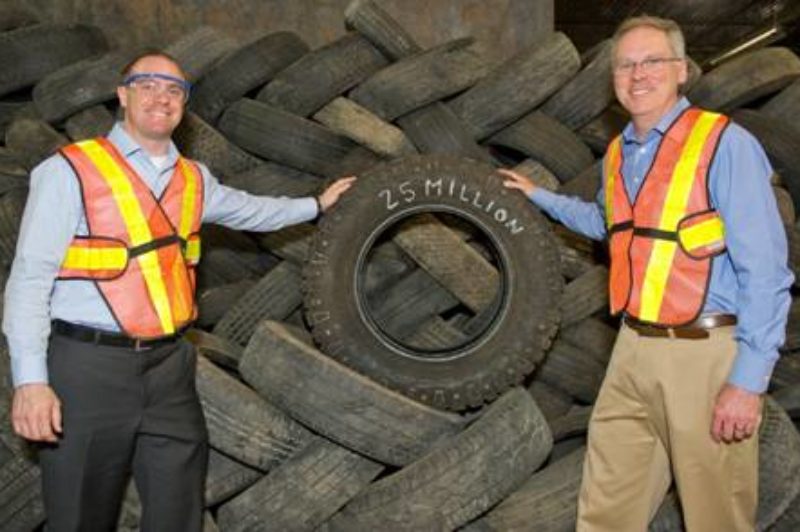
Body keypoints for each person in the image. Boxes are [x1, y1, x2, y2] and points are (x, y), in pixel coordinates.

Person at [3, 50, 355, 530]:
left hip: (170, 368)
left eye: (174, 90)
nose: (161, 97)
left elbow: (251, 210)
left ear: (184, 106)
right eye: (147, 85)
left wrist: (316, 204)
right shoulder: (70, 171)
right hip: (88, 369)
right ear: (123, 96)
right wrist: (30, 382)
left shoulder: (194, 178)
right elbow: (28, 279)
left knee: (179, 509)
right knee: (81, 515)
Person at [499, 15, 793, 532]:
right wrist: (537, 196)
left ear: (681, 70)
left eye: (652, 61)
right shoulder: (620, 156)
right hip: (632, 348)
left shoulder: (723, 143)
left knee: (715, 515)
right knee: (607, 507)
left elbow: (767, 270)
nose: (638, 74)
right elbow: (610, 225)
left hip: (706, 353)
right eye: (625, 64)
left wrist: (747, 380)